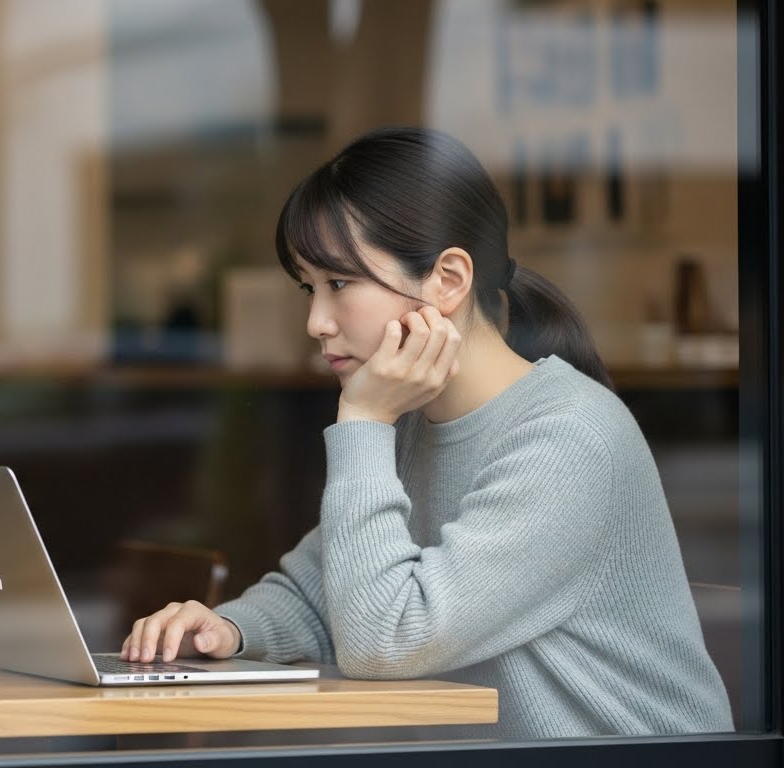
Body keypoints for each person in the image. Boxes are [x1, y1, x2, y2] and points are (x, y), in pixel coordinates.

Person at [119, 126, 733, 739]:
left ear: (447, 280)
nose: (316, 321)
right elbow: (321, 592)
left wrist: (364, 422)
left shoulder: (569, 438)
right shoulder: (413, 420)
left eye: (339, 284)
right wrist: (230, 630)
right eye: (310, 288)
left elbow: (386, 641)